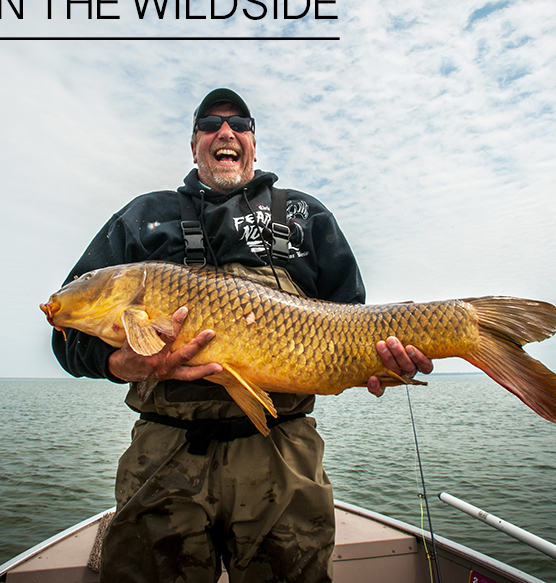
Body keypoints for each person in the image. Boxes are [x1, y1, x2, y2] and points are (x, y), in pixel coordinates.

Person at [52, 88, 433, 583]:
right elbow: (66, 341)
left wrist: (382, 361)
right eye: (210, 125)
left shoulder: (304, 215)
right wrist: (125, 363)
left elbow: (352, 322)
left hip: (281, 450)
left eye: (240, 124)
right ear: (194, 146)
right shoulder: (143, 218)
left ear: (253, 143)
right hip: (166, 453)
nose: (225, 133)